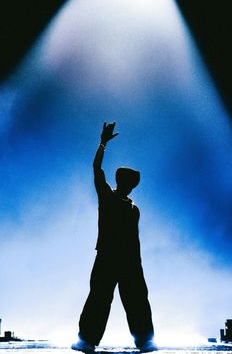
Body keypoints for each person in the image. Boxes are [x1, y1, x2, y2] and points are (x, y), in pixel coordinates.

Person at [72, 122, 157, 352]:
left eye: (131, 183)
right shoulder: (107, 197)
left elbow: (134, 240)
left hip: (129, 260)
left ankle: (146, 341)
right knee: (99, 298)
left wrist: (137, 264)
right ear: (121, 182)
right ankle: (86, 340)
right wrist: (103, 144)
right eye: (127, 181)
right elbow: (97, 169)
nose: (129, 186)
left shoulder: (133, 208)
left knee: (137, 300)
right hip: (108, 256)